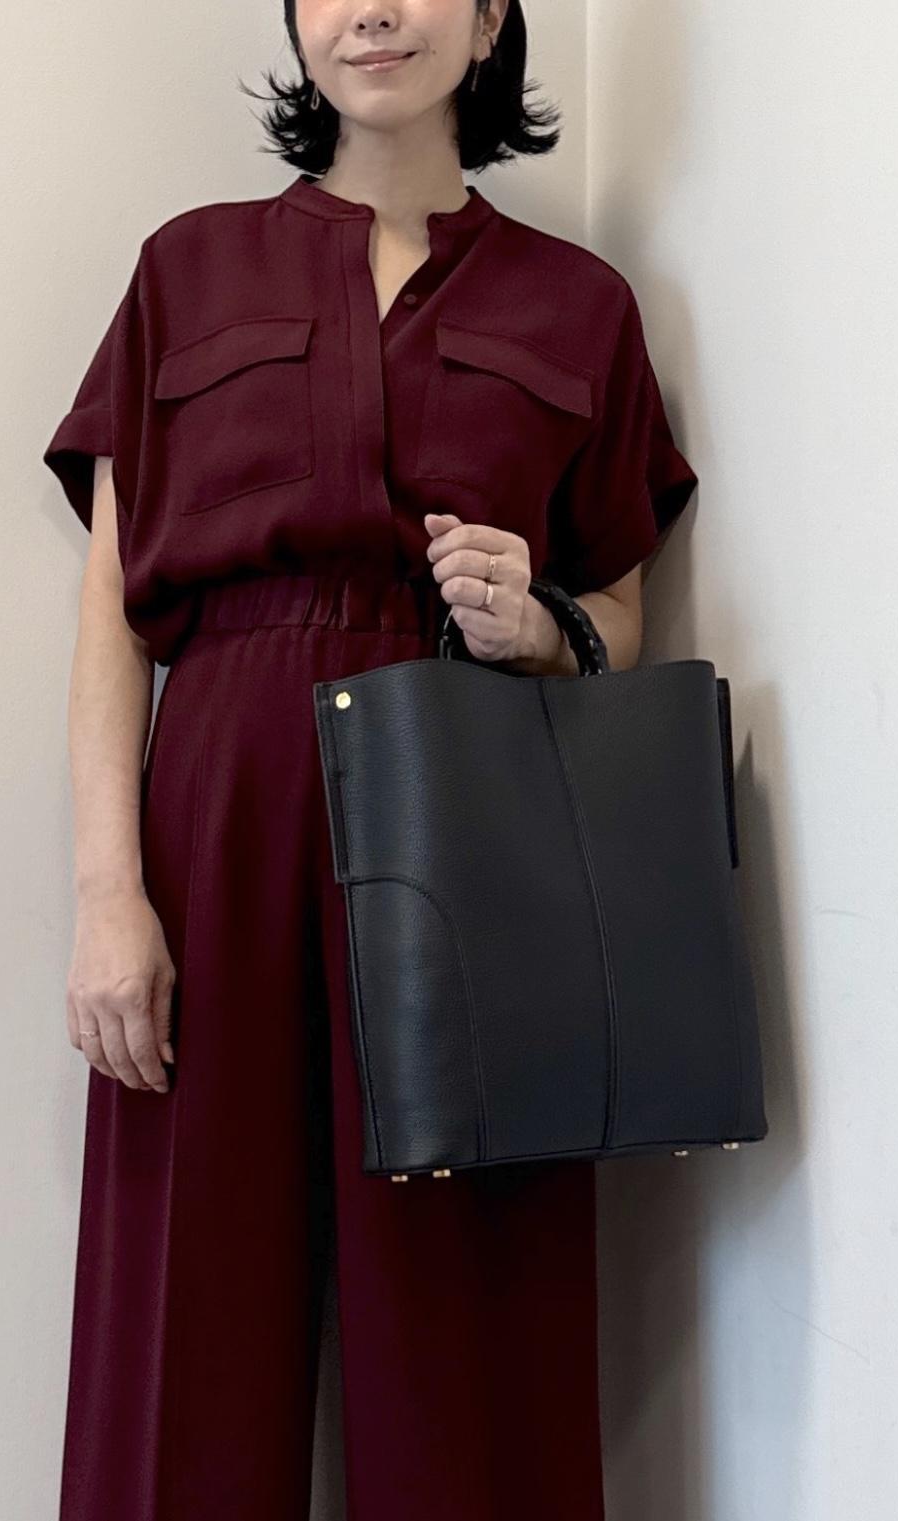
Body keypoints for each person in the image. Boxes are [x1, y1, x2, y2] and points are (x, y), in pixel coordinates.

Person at [42, 2, 698, 1517]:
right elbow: (113, 620)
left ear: (490, 18)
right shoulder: (188, 270)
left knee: (473, 1326)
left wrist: (539, 623)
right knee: (186, 1308)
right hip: (221, 815)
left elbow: (619, 612)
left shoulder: (580, 306)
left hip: (474, 820)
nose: (375, 11)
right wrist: (108, 896)